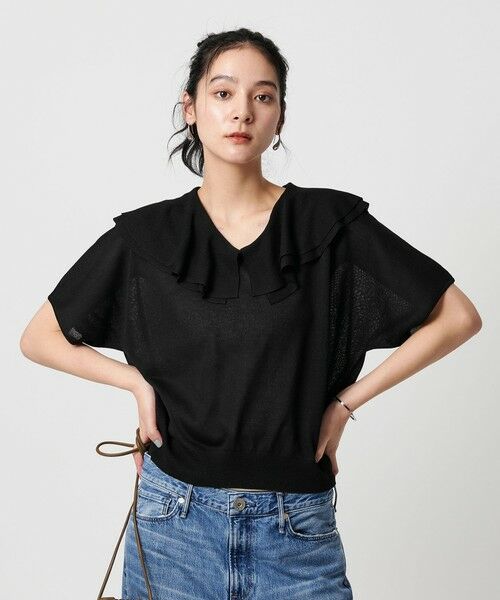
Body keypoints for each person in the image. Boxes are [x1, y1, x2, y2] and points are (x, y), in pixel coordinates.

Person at [20, 27, 482, 600]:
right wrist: (134, 381)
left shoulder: (327, 225)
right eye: (223, 93)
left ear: (280, 116)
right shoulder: (148, 237)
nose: (242, 111)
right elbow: (40, 337)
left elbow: (457, 317)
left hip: (296, 529)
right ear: (190, 108)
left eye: (263, 96)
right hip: (173, 525)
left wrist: (345, 405)